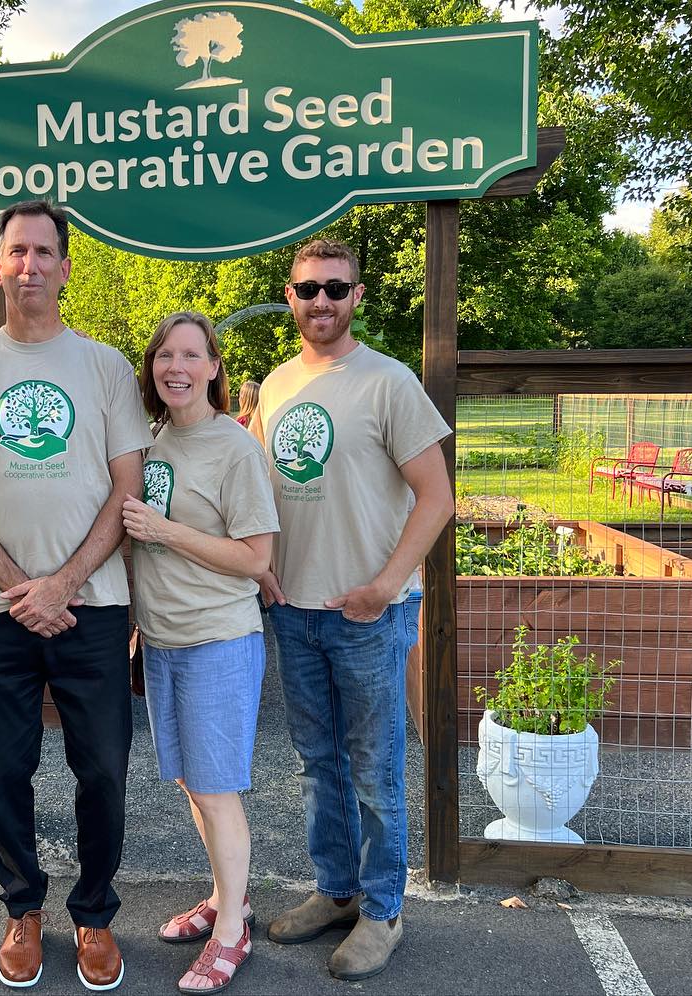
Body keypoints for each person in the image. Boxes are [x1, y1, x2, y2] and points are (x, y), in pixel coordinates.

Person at [0, 199, 151, 992]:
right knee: (7, 769)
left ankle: (94, 914)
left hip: (94, 607)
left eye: (44, 252)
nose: (30, 265)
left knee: (104, 769)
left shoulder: (105, 367)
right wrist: (20, 589)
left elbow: (127, 487)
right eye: (17, 251)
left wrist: (62, 584)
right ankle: (22, 908)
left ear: (65, 267)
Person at [250, 239, 453, 981]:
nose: (321, 302)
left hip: (367, 612)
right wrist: (263, 570)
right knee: (318, 765)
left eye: (336, 289)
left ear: (357, 296)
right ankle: (336, 890)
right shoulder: (276, 387)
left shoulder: (389, 383)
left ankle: (383, 909)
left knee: (374, 770)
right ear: (291, 295)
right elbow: (258, 492)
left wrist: (386, 584)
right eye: (308, 289)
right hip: (295, 608)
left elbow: (437, 497)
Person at [121, 312, 278, 994]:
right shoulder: (154, 441)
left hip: (218, 640)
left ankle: (232, 932)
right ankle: (225, 895)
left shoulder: (233, 448)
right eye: (164, 355)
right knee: (193, 783)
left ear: (214, 367)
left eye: (190, 355)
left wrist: (165, 530)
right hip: (163, 642)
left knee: (217, 791)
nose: (175, 367)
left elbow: (255, 558)